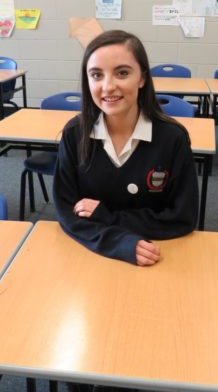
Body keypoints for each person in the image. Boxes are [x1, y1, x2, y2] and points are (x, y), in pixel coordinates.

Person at [53, 30, 199, 266]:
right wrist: (117, 241)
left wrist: (107, 217)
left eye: (122, 73)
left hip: (159, 256)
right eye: (96, 75)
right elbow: (67, 212)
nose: (108, 86)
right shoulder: (74, 134)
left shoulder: (172, 138)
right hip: (89, 256)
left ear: (142, 78)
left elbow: (183, 217)